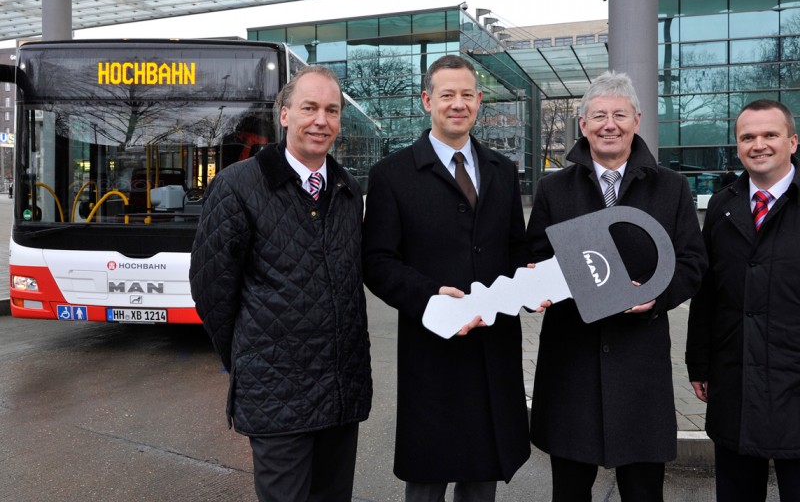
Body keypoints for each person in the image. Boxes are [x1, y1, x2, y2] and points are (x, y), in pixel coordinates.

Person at [189, 65, 372, 502]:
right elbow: (211, 288)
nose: (321, 120)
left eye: (331, 110)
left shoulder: (348, 190)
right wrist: (249, 357)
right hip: (277, 395)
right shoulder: (237, 186)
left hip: (341, 393)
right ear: (284, 114)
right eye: (309, 108)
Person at [527, 71, 707, 501]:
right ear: (584, 124)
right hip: (571, 364)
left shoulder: (671, 187)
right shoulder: (554, 189)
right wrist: (538, 285)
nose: (610, 124)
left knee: (643, 490)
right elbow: (532, 256)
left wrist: (657, 295)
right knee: (569, 491)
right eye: (599, 115)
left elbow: (693, 262)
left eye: (620, 115)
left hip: (639, 367)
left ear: (637, 121)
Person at [362, 55, 530, 501]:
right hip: (433, 350)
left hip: (493, 348)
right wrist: (430, 298)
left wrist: (534, 284)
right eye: (446, 95)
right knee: (428, 480)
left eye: (466, 95)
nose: (458, 104)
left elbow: (516, 249)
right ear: (426, 101)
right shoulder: (391, 176)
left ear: (478, 101)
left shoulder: (501, 171)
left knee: (482, 480)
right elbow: (377, 261)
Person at [686, 99, 800, 502]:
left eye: (770, 134)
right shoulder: (722, 205)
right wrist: (698, 363)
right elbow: (706, 292)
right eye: (747, 137)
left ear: (793, 141)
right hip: (734, 380)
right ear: (737, 146)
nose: (759, 144)